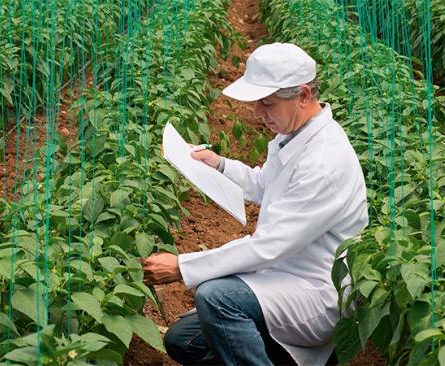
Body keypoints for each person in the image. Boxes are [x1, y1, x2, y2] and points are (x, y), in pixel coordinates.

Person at [142, 43, 369, 365]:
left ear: (303, 95)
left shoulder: (323, 162)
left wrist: (182, 266)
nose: (258, 114)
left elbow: (268, 247)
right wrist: (219, 164)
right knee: (184, 341)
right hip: (284, 279)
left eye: (267, 104)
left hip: (316, 292)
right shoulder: (295, 136)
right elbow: (266, 184)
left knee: (218, 299)